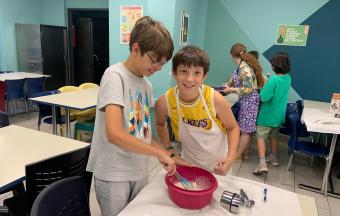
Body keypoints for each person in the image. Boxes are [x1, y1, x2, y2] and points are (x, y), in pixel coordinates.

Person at [86, 16, 177, 216]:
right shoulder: (114, 76)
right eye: (154, 60)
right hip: (113, 173)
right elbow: (114, 134)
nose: (158, 67)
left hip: (138, 170)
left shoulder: (146, 85)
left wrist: (166, 153)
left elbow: (141, 132)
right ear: (136, 49)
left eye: (162, 63)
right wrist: (158, 153)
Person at [155, 45, 240, 175]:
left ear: (204, 76)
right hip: (188, 165)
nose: (189, 79)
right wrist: (168, 149)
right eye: (183, 71)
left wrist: (231, 158)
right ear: (174, 73)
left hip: (219, 167)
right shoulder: (165, 101)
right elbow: (160, 124)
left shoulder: (214, 99)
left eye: (197, 73)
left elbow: (233, 127)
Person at [252, 52, 292, 175]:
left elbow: (264, 97)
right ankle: (273, 157)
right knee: (274, 136)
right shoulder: (287, 78)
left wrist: (265, 86)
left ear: (276, 66)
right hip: (278, 115)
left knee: (260, 137)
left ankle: (262, 164)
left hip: (267, 115)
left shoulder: (273, 79)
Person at [223, 43, 264, 161]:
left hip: (250, 101)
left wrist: (231, 89)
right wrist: (227, 85)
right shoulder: (240, 66)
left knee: (246, 130)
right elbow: (234, 79)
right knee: (243, 128)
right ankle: (238, 153)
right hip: (246, 101)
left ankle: (238, 155)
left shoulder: (244, 67)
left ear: (232, 55)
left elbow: (248, 88)